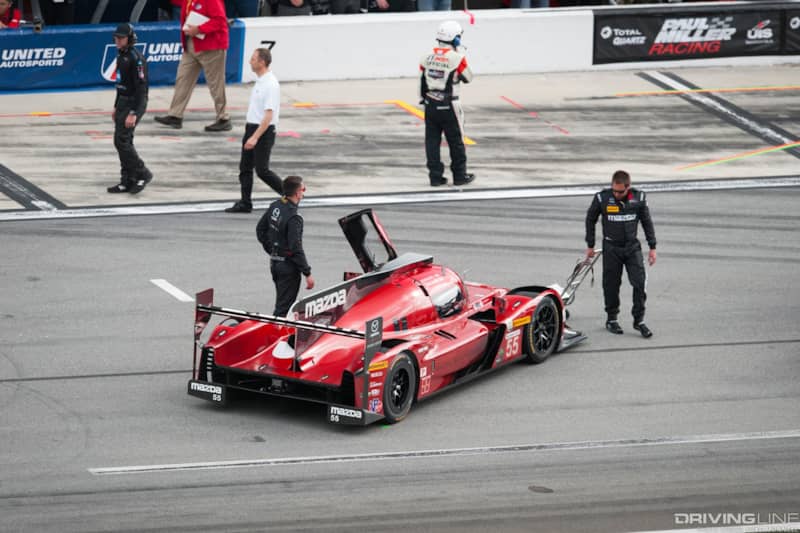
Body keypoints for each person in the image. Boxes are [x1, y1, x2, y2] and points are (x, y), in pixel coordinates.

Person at [585, 170, 657, 338]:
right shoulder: (602, 198)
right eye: (614, 190)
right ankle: (612, 319)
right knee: (610, 285)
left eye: (620, 191)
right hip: (611, 248)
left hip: (632, 248)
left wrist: (652, 247)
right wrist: (590, 244)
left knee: (639, 283)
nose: (617, 194)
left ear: (628, 187)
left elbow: (647, 222)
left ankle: (639, 321)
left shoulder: (638, 198)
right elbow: (590, 218)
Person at [154, 0, 231, 132]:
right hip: (192, 44)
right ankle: (175, 115)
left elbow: (220, 21)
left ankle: (223, 118)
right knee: (183, 79)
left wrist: (199, 29)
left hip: (211, 47)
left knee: (216, 84)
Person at [225, 48, 283, 213]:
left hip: (263, 130)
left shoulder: (270, 84)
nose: (250, 61)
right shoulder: (261, 81)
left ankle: (289, 194)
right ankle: (245, 202)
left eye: (253, 59)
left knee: (262, 170)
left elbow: (269, 115)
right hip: (251, 127)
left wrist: (255, 137)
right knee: (245, 167)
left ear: (262, 62)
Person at [420, 20, 475, 187]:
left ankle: (435, 177)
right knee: (456, 140)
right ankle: (459, 175)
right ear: (455, 39)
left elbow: (423, 80)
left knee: (432, 141)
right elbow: (468, 78)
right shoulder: (457, 58)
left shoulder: (426, 57)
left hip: (430, 104)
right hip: (450, 105)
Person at [256, 176, 315, 316]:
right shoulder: (294, 217)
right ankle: (274, 335)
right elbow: (296, 248)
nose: (304, 192)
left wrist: (273, 251)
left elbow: (260, 230)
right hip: (288, 268)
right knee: (283, 310)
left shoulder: (276, 205)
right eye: (303, 189)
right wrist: (307, 273)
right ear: (297, 193)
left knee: (281, 304)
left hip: (275, 264)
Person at [107, 23, 153, 195]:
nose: (117, 41)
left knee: (122, 141)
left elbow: (142, 89)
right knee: (123, 142)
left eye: (121, 38)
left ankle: (142, 172)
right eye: (116, 38)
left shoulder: (136, 58)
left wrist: (134, 112)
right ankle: (127, 179)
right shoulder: (122, 55)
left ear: (130, 39)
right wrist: (115, 105)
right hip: (122, 102)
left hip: (134, 102)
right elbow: (120, 85)